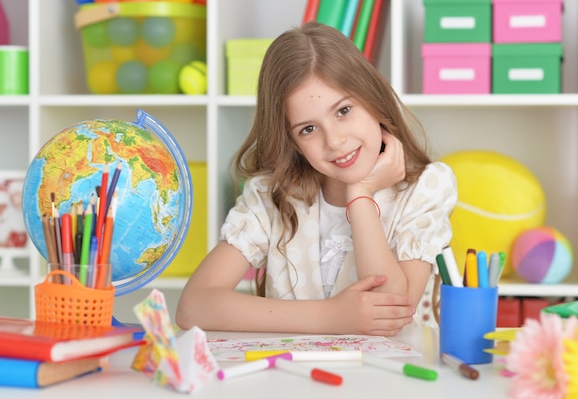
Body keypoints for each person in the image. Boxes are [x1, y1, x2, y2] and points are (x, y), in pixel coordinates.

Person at [176, 21, 457, 336]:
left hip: (389, 381)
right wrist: (330, 316)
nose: (334, 140)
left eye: (343, 110)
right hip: (295, 380)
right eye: (308, 129)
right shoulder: (272, 194)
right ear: (292, 141)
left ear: (374, 99)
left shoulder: (426, 187)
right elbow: (193, 306)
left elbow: (390, 310)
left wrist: (361, 195)